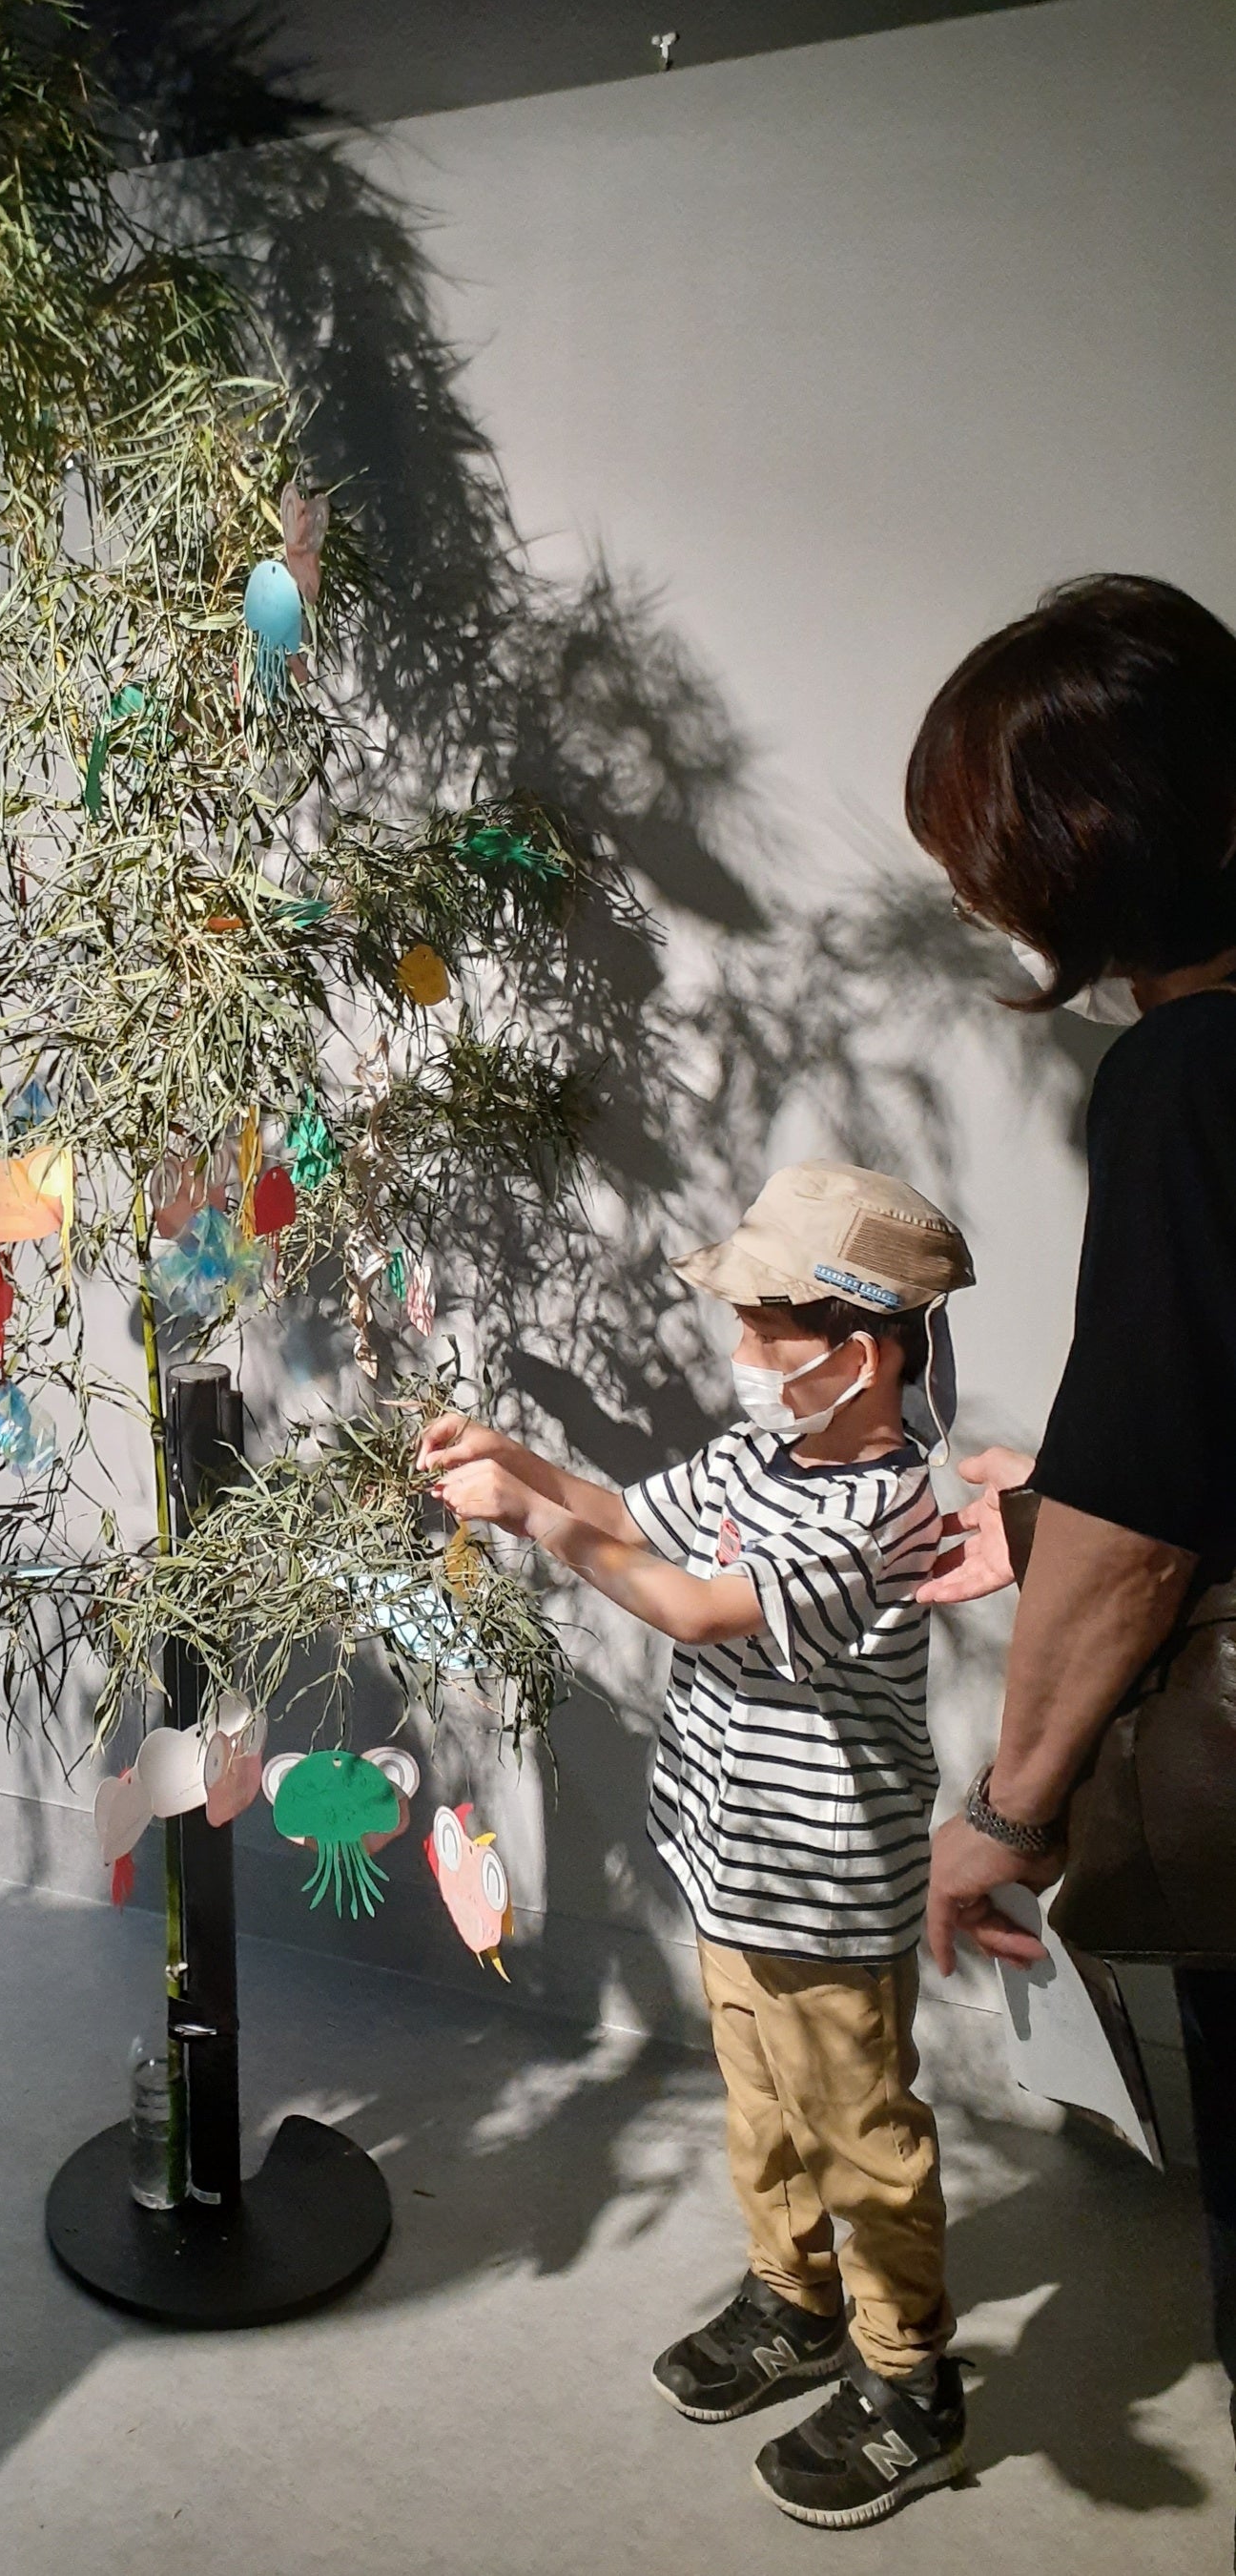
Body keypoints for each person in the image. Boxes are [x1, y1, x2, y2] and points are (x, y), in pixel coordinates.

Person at [422, 1161, 976, 2531]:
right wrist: (515, 1459)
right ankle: (792, 2297)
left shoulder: (883, 1510)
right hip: (727, 1854)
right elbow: (629, 1517)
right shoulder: (758, 1457)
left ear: (863, 1353)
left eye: (758, 1330)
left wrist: (531, 1521)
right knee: (760, 2104)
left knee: (861, 2131)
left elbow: (695, 1607)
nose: (735, 1358)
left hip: (826, 1883)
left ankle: (908, 2375)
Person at [905, 576, 1236, 2459]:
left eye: (987, 856)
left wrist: (1004, 1813)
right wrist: (1047, 1500)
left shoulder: (1184, 1076)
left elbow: (1142, 1518)